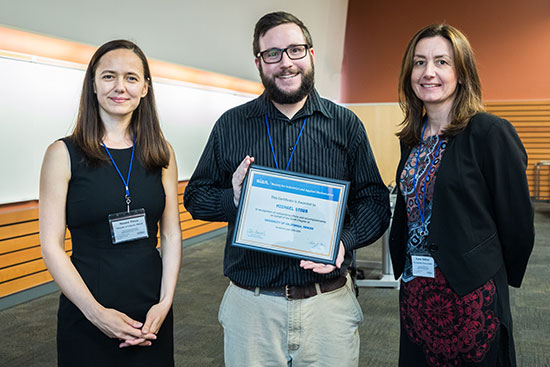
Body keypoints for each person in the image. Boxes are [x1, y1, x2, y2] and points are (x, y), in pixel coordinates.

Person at [184, 11, 390, 367]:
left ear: (311, 54)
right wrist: (233, 199)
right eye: (273, 54)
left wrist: (344, 242)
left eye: (295, 50)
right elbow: (196, 197)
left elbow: (374, 203)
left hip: (327, 307)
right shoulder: (231, 124)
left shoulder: (345, 125)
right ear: (259, 62)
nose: (285, 63)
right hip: (252, 307)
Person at [389, 24, 535, 366]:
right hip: (417, 290)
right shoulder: (412, 138)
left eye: (442, 62)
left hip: (470, 295)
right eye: (419, 62)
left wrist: (487, 274)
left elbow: (517, 224)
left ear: (461, 72)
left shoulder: (489, 132)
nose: (428, 72)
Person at [39, 40, 181, 366]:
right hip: (88, 309)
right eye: (108, 76)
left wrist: (165, 302)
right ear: (93, 84)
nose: (120, 87)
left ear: (145, 87)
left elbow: (171, 234)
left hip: (151, 311)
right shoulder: (62, 154)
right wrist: (97, 314)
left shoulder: (162, 153)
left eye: (131, 78)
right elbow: (51, 245)